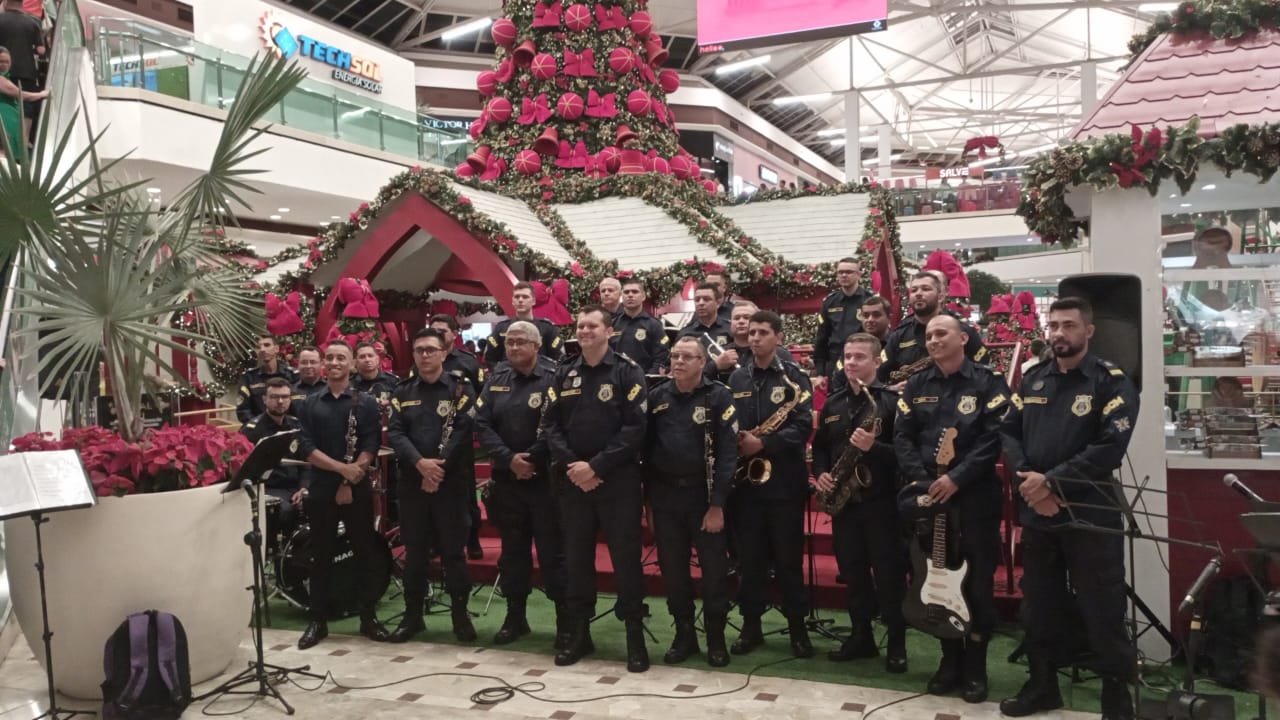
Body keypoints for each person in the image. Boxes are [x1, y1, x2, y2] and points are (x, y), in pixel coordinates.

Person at [998, 297, 1139, 720]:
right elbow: (1009, 432)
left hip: (1090, 513)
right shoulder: (1034, 379)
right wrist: (1031, 483)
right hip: (1039, 513)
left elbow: (1110, 446)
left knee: (1103, 607)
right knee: (1039, 605)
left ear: (1088, 331)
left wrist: (1053, 483)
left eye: (1069, 325)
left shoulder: (1111, 382)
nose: (1059, 333)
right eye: (1053, 325)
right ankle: (1043, 686)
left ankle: (1116, 697)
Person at [893, 314, 1008, 703]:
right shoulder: (917, 385)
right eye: (928, 335)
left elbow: (995, 438)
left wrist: (957, 477)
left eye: (941, 333)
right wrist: (925, 481)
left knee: (975, 585)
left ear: (963, 337)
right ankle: (949, 660)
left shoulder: (988, 382)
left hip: (974, 498)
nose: (933, 340)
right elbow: (902, 436)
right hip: (928, 497)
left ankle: (975, 666)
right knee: (934, 577)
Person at [542, 305, 650, 672]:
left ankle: (635, 638)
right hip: (573, 482)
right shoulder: (564, 373)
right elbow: (550, 425)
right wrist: (576, 466)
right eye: (580, 326)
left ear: (609, 331)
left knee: (625, 560)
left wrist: (597, 466)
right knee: (576, 560)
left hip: (616, 481)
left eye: (592, 326)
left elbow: (636, 428)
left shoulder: (627, 372)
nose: (585, 331)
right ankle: (579, 634)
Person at [811, 333, 907, 673]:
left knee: (889, 576)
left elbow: (906, 457)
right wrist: (820, 472)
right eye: (847, 356)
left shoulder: (892, 402)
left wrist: (873, 447)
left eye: (859, 357)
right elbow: (821, 446)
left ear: (877, 362)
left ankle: (897, 643)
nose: (851, 362)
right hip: (845, 504)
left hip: (881, 504)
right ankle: (861, 636)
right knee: (853, 575)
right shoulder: (834, 403)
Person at [644, 336, 738, 667]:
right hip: (667, 498)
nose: (678, 362)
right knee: (673, 571)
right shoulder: (656, 397)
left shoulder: (718, 396)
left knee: (713, 573)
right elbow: (646, 452)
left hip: (704, 498)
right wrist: (649, 504)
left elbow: (729, 454)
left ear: (702, 362)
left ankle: (715, 639)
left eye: (687, 356)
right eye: (674, 356)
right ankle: (684, 636)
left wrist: (718, 505)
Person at [473, 321, 568, 648]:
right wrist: (509, 459)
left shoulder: (555, 376)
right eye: (509, 342)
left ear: (536, 345)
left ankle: (564, 623)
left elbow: (559, 424)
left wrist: (532, 459)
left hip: (545, 482)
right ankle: (516, 618)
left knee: (552, 554)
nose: (512, 347)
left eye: (520, 342)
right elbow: (482, 423)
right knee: (512, 555)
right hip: (507, 481)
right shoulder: (497, 378)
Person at [727, 310, 815, 659]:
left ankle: (797, 629)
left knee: (788, 561)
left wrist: (764, 444)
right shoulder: (736, 379)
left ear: (778, 337)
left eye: (763, 332)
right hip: (746, 486)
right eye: (751, 332)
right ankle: (751, 628)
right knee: (750, 562)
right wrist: (736, 442)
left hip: (784, 485)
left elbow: (803, 427)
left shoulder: (794, 378)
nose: (755, 338)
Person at [292, 339, 389, 649]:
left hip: (357, 488)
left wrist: (349, 480)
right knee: (319, 555)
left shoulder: (366, 403)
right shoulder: (308, 402)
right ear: (324, 363)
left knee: (364, 553)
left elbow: (371, 445)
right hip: (321, 488)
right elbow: (306, 448)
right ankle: (317, 622)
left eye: (340, 358)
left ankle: (368, 617)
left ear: (351, 364)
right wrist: (340, 472)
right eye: (329, 357)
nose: (334, 362)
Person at [385, 328, 478, 643]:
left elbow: (465, 432)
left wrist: (437, 470)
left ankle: (460, 616)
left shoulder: (460, 389)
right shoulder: (402, 391)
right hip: (413, 485)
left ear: (443, 353)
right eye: (419, 349)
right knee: (414, 554)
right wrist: (420, 465)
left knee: (454, 553)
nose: (425, 355)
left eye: (430, 349)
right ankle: (413, 618)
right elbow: (395, 433)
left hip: (451, 485)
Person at [430, 313, 484, 559]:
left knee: (466, 493)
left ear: (454, 334)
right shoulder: (425, 358)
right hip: (431, 438)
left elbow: (480, 399)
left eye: (442, 331)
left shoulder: (468, 362)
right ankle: (436, 541)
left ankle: (473, 540)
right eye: (434, 330)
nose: (438, 335)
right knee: (436, 492)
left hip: (460, 439)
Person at [880, 272, 987, 387]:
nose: (919, 294)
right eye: (914, 290)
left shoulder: (962, 329)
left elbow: (984, 372)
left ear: (941, 296)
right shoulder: (900, 334)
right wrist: (891, 389)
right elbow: (879, 376)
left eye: (926, 289)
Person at [239, 377, 303, 533]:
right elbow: (246, 471)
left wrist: (304, 488)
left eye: (285, 397)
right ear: (264, 400)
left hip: (296, 487)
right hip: (269, 488)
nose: (280, 401)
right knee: (285, 511)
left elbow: (307, 461)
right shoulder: (251, 431)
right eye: (274, 397)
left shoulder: (297, 425)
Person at [812, 258, 873, 383]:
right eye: (841, 272)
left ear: (859, 275)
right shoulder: (830, 302)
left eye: (849, 272)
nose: (844, 275)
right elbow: (821, 338)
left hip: (861, 360)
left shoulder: (870, 300)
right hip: (834, 362)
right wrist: (819, 373)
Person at [486, 281, 564, 365]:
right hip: (508, 376)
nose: (520, 300)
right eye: (517, 297)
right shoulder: (501, 328)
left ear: (533, 301)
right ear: (512, 301)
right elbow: (490, 359)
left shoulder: (547, 328)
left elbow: (557, 358)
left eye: (525, 297)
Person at [0, 3, 43, 140]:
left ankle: (4, 141)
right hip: (26, 70)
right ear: (22, 3)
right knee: (26, 106)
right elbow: (41, 50)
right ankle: (22, 142)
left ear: (6, 3)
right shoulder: (33, 22)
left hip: (3, 70)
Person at [611, 278, 670, 373]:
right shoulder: (612, 324)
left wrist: (646, 380)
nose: (630, 295)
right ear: (622, 296)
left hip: (644, 380)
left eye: (635, 292)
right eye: (626, 292)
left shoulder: (654, 325)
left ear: (643, 296)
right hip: (616, 381)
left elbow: (661, 357)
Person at [236, 335, 298, 424]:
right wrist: (260, 427)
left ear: (276, 349)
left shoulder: (292, 375)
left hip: (288, 428)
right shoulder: (249, 377)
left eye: (267, 345)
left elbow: (298, 406)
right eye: (258, 347)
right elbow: (243, 411)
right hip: (258, 430)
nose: (262, 349)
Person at [0, 46, 44, 160]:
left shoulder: (5, 78)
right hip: (4, 124)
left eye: (7, 62)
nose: (4, 64)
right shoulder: (1, 80)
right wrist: (42, 94)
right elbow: (22, 95)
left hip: (10, 123)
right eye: (1, 61)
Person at [678, 282, 733, 368]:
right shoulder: (685, 333)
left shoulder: (731, 329)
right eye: (697, 300)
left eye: (706, 299)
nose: (701, 303)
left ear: (718, 303)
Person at [351, 341, 399, 410]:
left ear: (377, 359)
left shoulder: (394, 382)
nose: (367, 360)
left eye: (370, 356)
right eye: (362, 357)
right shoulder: (350, 384)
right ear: (355, 362)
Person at [289, 346, 325, 412]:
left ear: (322, 364)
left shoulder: (330, 389)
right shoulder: (290, 391)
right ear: (298, 364)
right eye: (304, 362)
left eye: (313, 362)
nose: (308, 366)